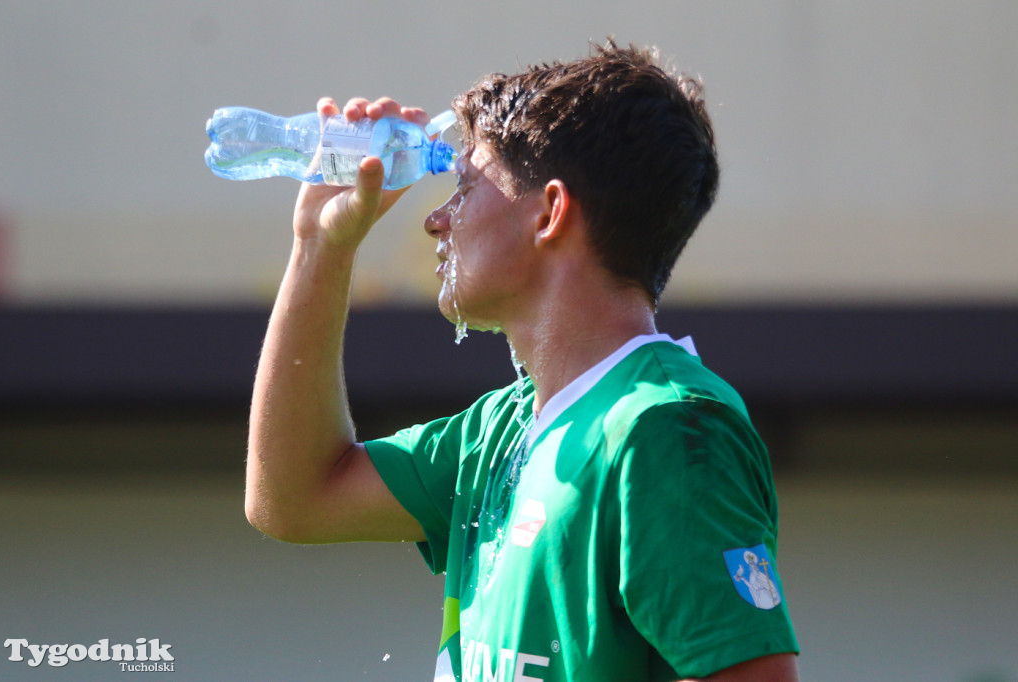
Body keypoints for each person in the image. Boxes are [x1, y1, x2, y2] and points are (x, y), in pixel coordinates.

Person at [245, 40, 800, 682]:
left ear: (550, 214)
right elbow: (292, 500)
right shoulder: (504, 429)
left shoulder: (663, 431)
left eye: (465, 186)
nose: (435, 220)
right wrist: (320, 247)